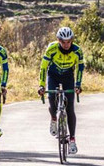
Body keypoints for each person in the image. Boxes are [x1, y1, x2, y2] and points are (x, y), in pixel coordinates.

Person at [37, 26, 84, 154]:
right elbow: (43, 67)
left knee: (70, 109)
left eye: (69, 41)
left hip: (68, 76)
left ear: (72, 40)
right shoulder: (51, 49)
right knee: (52, 99)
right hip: (53, 75)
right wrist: (41, 85)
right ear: (58, 40)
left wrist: (78, 85)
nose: (66, 44)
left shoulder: (77, 51)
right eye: (63, 42)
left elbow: (80, 68)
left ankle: (72, 140)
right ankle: (53, 118)